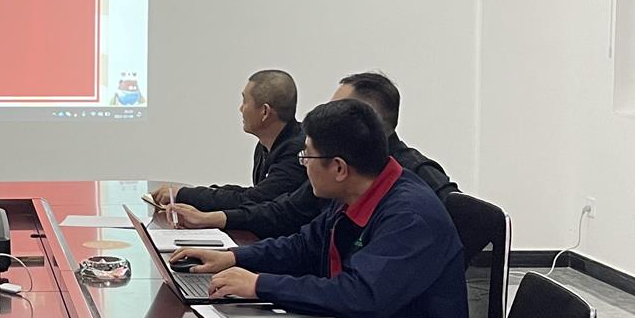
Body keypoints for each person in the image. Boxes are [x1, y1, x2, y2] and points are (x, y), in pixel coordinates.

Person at [172, 99, 469, 318]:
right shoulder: (355, 192)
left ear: (339, 168)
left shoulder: (410, 217)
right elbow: (305, 245)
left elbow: (361, 296)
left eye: (307, 156)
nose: (303, 165)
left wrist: (259, 285)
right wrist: (233, 257)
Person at [175, 69, 460, 238]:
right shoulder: (344, 169)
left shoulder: (419, 178)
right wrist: (220, 222)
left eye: (339, 110)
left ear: (366, 120)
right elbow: (288, 212)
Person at [147, 69, 306, 224]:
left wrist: (184, 195)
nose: (240, 109)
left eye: (245, 101)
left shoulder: (296, 152)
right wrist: (194, 195)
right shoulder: (265, 145)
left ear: (264, 112)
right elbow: (253, 194)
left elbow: (254, 200)